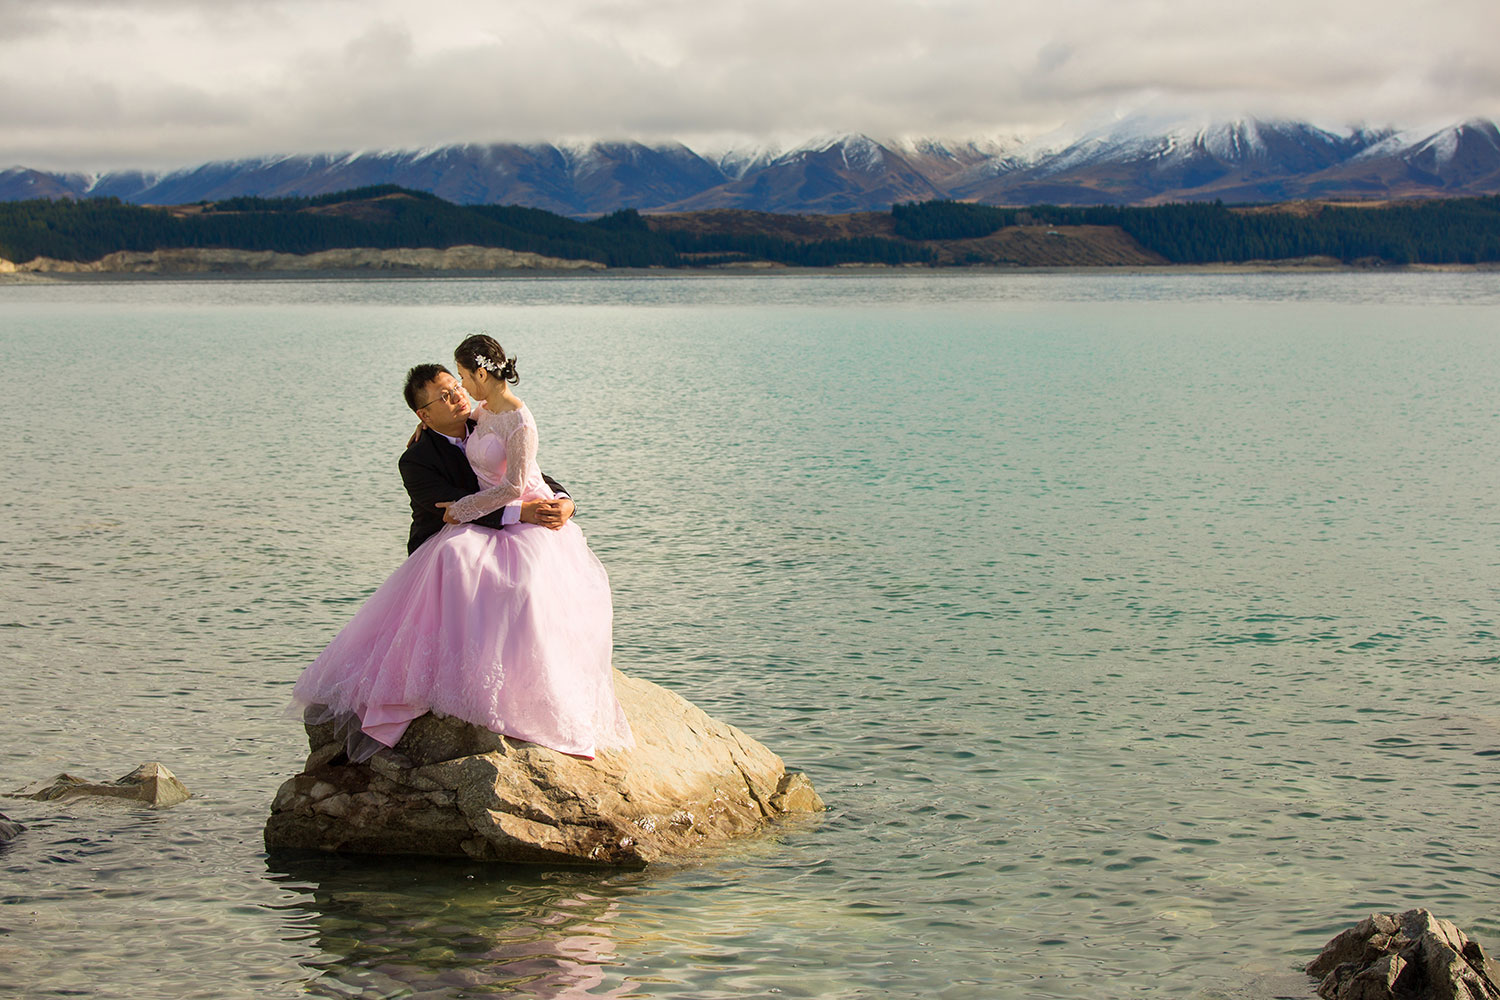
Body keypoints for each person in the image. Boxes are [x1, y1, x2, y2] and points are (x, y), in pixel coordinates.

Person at [291, 336, 633, 760]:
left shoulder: (483, 417)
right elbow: (449, 508)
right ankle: (447, 678)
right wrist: (520, 516)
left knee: (525, 577)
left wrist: (566, 502)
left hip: (496, 523)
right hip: (446, 533)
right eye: (444, 397)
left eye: (457, 388)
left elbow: (530, 471)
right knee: (461, 557)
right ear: (423, 414)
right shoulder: (416, 460)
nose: (457, 398)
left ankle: (522, 676)